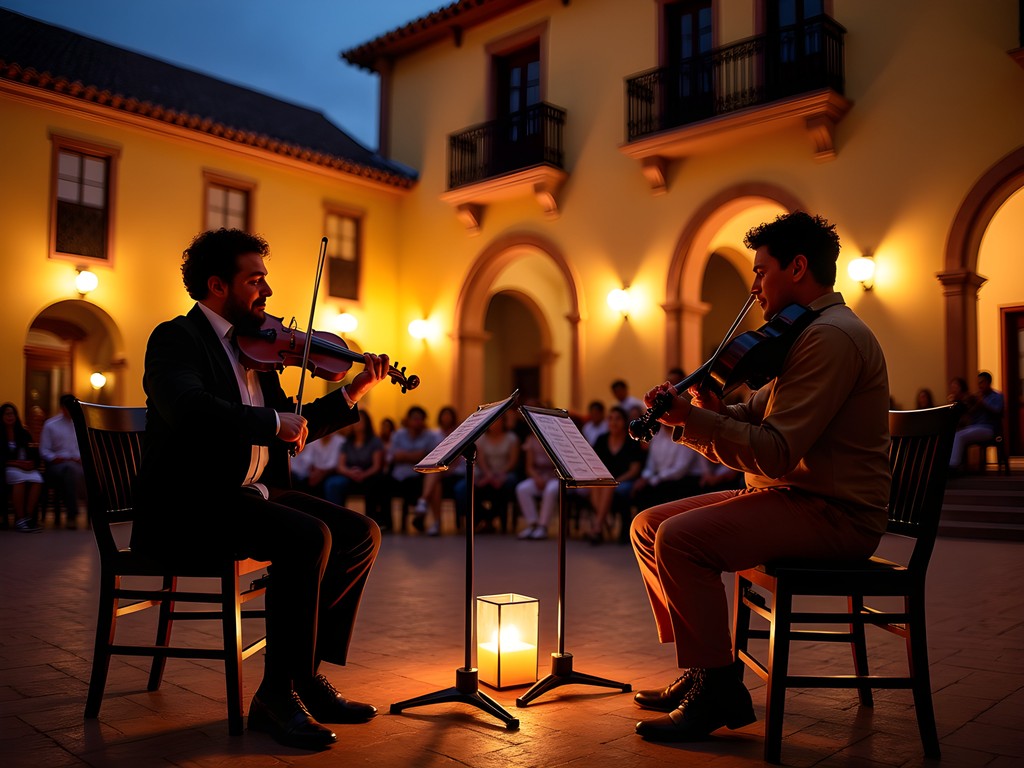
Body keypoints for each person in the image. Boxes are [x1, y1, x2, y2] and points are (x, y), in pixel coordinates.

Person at [630, 211, 890, 744]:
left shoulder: (831, 338)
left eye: (760, 271)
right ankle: (706, 668)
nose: (754, 286)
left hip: (834, 514)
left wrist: (695, 421)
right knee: (647, 525)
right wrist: (705, 410)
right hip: (794, 498)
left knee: (678, 540)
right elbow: (755, 416)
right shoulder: (806, 332)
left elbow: (774, 452)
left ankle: (718, 690)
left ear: (798, 268)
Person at [131, 228, 391, 750]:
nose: (267, 291)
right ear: (217, 285)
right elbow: (189, 409)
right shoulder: (175, 339)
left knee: (361, 533)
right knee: (308, 538)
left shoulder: (259, 348)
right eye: (255, 280)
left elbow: (294, 424)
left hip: (251, 493)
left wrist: (353, 392)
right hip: (193, 503)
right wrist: (272, 423)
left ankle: (304, 677)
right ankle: (275, 697)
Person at [584, 405, 645, 544]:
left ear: (624, 421)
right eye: (610, 419)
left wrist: (616, 480)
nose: (613, 422)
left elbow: (634, 470)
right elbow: (594, 463)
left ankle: (598, 527)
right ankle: (601, 524)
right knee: (597, 486)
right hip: (605, 480)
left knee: (609, 486)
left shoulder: (631, 441)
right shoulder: (602, 439)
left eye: (617, 419)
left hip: (626, 480)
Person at [323, 410, 389, 531]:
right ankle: (335, 521)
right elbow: (340, 466)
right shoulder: (347, 442)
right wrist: (350, 473)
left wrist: (364, 474)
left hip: (369, 475)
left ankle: (371, 524)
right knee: (333, 483)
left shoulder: (375, 441)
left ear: (367, 423)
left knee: (375, 483)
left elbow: (376, 466)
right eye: (356, 421)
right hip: (350, 475)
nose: (357, 424)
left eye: (361, 420)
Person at [454, 415, 521, 533]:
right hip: (485, 472)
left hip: (505, 472)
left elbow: (512, 461)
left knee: (508, 483)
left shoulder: (512, 438)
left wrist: (499, 474)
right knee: (465, 487)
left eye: (497, 420)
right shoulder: (481, 438)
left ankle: (496, 518)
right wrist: (489, 475)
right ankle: (482, 517)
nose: (494, 424)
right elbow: (481, 460)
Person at [386, 405, 441, 535]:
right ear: (408, 420)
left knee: (435, 477)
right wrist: (417, 455)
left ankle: (426, 507)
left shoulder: (430, 436)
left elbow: (432, 458)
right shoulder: (398, 435)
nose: (417, 422)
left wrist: (406, 456)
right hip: (400, 476)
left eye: (420, 419)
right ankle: (423, 505)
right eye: (415, 418)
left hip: (420, 475)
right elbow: (394, 456)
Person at [39, 392, 86, 529]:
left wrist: (80, 458)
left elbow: (84, 448)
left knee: (83, 472)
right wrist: (56, 458)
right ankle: (72, 513)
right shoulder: (51, 425)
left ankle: (96, 512)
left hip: (76, 464)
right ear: (62, 408)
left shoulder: (80, 424)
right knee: (70, 470)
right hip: (57, 465)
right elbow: (44, 450)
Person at [948, 371, 1004, 470]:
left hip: (989, 429)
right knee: (955, 433)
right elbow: (970, 412)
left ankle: (953, 465)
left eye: (982, 382)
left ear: (988, 383)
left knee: (959, 435)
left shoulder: (997, 396)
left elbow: (998, 411)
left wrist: (983, 403)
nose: (979, 385)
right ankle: (956, 465)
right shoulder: (977, 397)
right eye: (978, 383)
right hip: (975, 427)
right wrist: (962, 402)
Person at [2, 402, 44, 533]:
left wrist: (30, 463)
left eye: (12, 414)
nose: (10, 417)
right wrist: (16, 463)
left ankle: (28, 517)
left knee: (37, 479)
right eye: (7, 414)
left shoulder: (23, 433)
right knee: (18, 479)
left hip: (24, 466)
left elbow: (32, 452)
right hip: (8, 467)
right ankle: (20, 519)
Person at [515, 432, 559, 540]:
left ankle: (543, 526)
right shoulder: (531, 439)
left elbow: (559, 465)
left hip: (555, 477)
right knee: (522, 489)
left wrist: (548, 478)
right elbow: (529, 467)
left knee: (551, 490)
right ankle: (532, 524)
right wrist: (537, 478)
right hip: (538, 477)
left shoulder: (556, 438)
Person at [290, 430, 344, 497]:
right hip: (315, 472)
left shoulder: (340, 441)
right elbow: (308, 459)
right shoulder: (315, 441)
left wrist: (320, 473)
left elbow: (334, 464)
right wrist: (313, 472)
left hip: (331, 473)